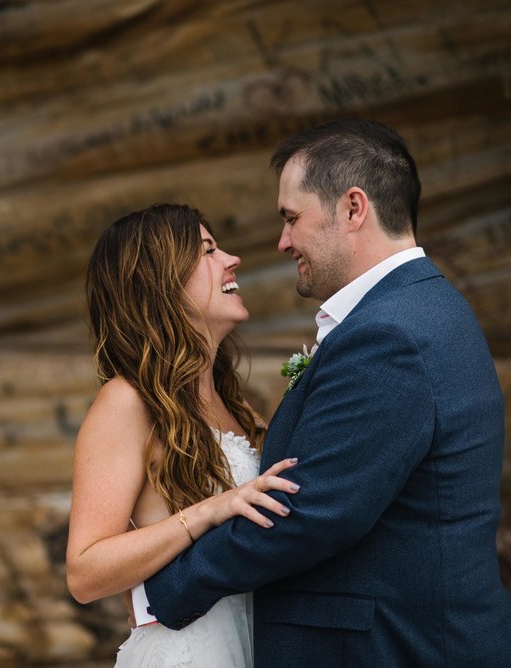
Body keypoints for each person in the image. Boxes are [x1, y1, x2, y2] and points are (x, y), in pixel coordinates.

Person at [143, 119, 511, 666]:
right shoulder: (424, 307)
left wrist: (166, 588)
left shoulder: (391, 334)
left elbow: (312, 512)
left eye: (291, 218)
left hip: (393, 647)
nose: (281, 241)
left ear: (353, 208)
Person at [66, 203, 300, 667]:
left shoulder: (237, 405)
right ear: (161, 282)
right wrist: (211, 510)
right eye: (208, 251)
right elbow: (85, 572)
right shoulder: (126, 402)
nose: (232, 259)